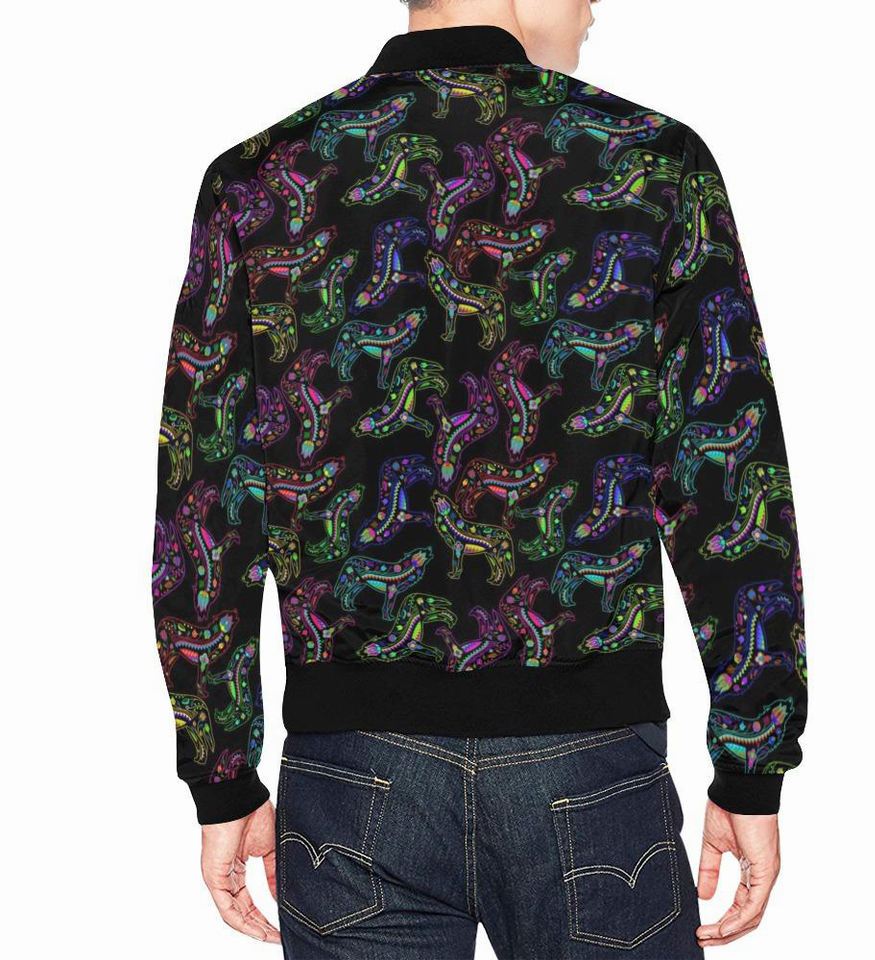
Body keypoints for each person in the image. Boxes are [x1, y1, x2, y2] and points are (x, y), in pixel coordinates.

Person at [151, 0, 807, 956]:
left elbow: (205, 499)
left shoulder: (259, 179)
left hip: (351, 771)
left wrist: (222, 774)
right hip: (591, 759)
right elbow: (728, 475)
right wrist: (752, 760)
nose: (592, 10)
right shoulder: (651, 163)